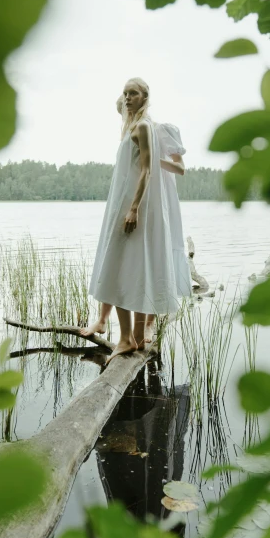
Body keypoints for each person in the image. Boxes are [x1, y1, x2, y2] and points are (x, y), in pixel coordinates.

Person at [84, 78, 189, 362]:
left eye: (134, 94)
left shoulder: (145, 127)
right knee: (130, 264)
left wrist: (133, 208)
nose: (128, 98)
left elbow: (147, 171)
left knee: (121, 263)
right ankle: (134, 336)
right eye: (126, 94)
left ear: (145, 97)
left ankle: (129, 337)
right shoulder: (134, 127)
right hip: (124, 201)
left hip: (132, 203)